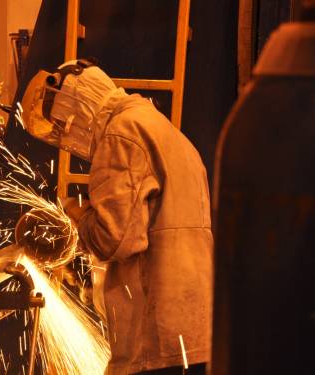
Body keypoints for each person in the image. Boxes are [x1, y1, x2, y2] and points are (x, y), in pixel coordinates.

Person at [21, 59, 213, 375]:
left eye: (61, 125)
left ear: (75, 107)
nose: (65, 136)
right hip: (192, 330)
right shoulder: (159, 128)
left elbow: (114, 240)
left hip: (158, 339)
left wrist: (76, 215)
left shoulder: (121, 134)